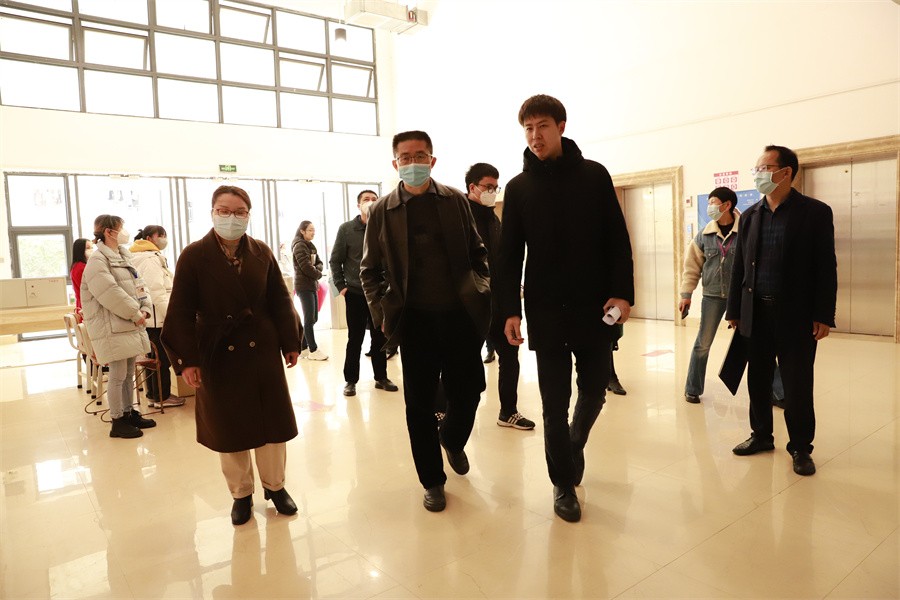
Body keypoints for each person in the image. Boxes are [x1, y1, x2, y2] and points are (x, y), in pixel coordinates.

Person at [499, 95, 634, 522]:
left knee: (594, 390)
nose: (535, 136)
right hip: (546, 310)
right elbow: (508, 256)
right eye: (528, 128)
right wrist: (509, 310)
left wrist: (623, 293)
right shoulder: (518, 188)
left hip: (594, 307)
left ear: (560, 126)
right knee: (553, 404)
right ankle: (562, 484)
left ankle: (573, 445)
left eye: (542, 126)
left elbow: (617, 240)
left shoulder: (594, 175)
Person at [360, 130, 491, 513]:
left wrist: (481, 290)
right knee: (418, 405)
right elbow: (369, 270)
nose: (413, 163)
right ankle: (432, 481)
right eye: (405, 157)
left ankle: (451, 437)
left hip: (459, 316)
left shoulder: (454, 201)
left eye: (420, 156)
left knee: (470, 390)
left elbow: (478, 252)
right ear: (395, 163)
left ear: (432, 160)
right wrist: (382, 314)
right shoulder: (383, 210)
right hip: (413, 321)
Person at [162, 185, 303, 525]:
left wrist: (291, 341)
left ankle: (276, 486)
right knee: (229, 427)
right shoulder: (194, 255)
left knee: (272, 425)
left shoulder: (261, 251)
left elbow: (280, 299)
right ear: (212, 213)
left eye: (239, 211)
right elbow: (180, 310)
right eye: (223, 211)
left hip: (261, 348)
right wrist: (187, 361)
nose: (231, 217)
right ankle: (241, 493)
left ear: (248, 215)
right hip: (217, 352)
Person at [726, 145, 837, 477]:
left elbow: (826, 267)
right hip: (756, 312)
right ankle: (761, 435)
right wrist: (734, 310)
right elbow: (739, 267)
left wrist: (823, 314)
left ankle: (801, 447)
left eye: (764, 168)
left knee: (797, 385)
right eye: (757, 168)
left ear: (786, 172)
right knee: (758, 379)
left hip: (796, 316)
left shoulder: (815, 212)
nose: (758, 174)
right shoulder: (750, 216)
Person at [679, 188, 786, 406]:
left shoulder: (746, 230)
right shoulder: (704, 235)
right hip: (712, 296)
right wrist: (686, 294)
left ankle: (778, 392)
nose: (710, 206)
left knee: (756, 342)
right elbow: (691, 267)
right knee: (703, 343)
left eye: (713, 202)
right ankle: (692, 388)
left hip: (742, 296)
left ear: (727, 205)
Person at [462, 162, 535, 430]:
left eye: (495, 187)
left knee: (510, 356)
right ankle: (444, 409)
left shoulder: (494, 219)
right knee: (461, 361)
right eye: (488, 187)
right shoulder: (460, 216)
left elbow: (504, 261)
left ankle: (508, 411)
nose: (492, 192)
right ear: (472, 187)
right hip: (470, 305)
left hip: (499, 303)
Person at [81, 215, 156, 439]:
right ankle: (117, 421)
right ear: (108, 232)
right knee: (117, 375)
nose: (124, 232)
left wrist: (145, 308)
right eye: (121, 228)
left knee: (129, 373)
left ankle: (128, 412)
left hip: (129, 323)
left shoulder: (123, 256)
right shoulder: (97, 261)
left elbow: (140, 284)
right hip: (112, 326)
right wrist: (135, 313)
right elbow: (110, 293)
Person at [329, 190, 398, 396]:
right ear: (358, 205)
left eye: (374, 199)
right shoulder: (347, 229)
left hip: (380, 294)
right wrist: (341, 286)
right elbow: (335, 260)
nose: (370, 202)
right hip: (355, 293)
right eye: (366, 199)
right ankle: (350, 380)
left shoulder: (385, 227)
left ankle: (381, 377)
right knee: (355, 338)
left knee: (379, 337)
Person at [130, 225, 185, 409]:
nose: (163, 238)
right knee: (161, 359)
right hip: (157, 317)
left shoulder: (138, 256)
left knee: (152, 359)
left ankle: (154, 395)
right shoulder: (150, 259)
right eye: (160, 235)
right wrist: (171, 316)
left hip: (149, 317)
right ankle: (163, 396)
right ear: (149, 238)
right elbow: (156, 291)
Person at [291, 220, 328, 361]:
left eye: (314, 230)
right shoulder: (299, 246)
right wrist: (318, 274)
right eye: (310, 230)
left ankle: (303, 347)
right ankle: (313, 350)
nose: (313, 233)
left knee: (313, 318)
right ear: (302, 231)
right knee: (309, 318)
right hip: (304, 286)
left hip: (312, 285)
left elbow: (320, 262)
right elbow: (306, 267)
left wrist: (317, 270)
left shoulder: (310, 245)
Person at [70, 237, 93, 314]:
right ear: (80, 250)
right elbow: (88, 289)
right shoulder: (81, 267)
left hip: (83, 305)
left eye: (92, 248)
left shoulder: (77, 266)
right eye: (88, 248)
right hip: (86, 306)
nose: (91, 250)